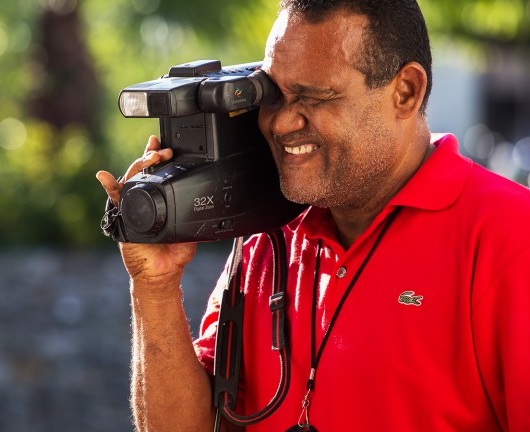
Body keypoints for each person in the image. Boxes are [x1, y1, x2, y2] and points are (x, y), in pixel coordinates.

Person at [96, 0, 530, 430]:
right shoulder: (267, 232)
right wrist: (155, 287)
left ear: (406, 92)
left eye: (315, 97)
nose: (282, 123)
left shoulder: (511, 236)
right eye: (273, 95)